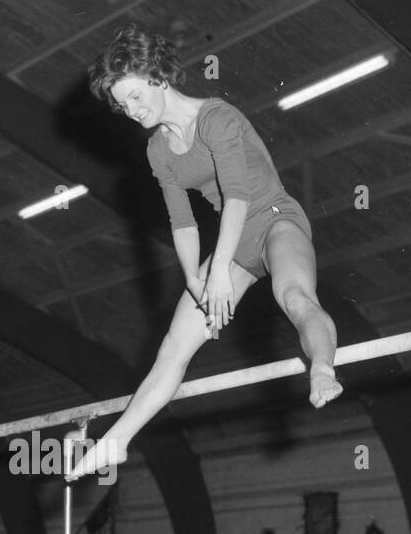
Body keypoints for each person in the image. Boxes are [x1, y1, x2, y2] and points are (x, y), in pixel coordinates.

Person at [70, 25, 341, 481]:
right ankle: (117, 441)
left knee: (295, 298)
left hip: (273, 218)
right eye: (123, 105)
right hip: (229, 244)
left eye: (136, 97)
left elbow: (237, 197)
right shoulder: (160, 148)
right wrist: (197, 282)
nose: (132, 112)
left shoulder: (218, 118)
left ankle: (322, 368)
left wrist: (218, 273)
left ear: (158, 77)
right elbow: (182, 222)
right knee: (172, 347)